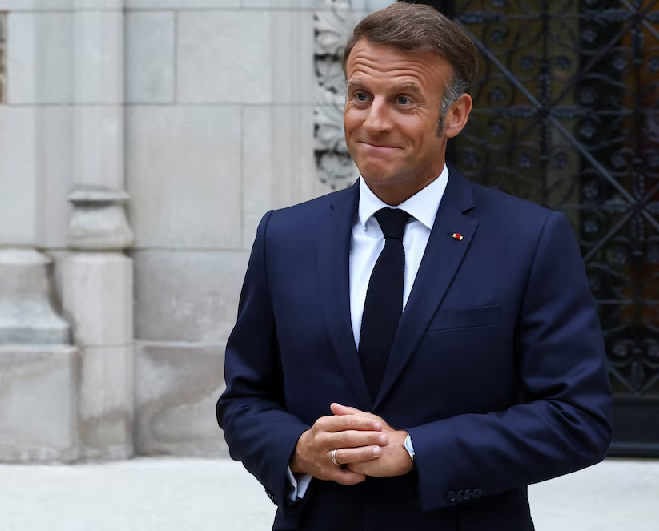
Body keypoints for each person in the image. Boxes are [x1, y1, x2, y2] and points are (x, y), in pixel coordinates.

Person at [216, 3, 613, 530]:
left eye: (403, 100)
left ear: (456, 115)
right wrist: (296, 449)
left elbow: (578, 418)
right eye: (361, 96)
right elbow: (245, 399)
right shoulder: (283, 237)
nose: (374, 122)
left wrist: (416, 450)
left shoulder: (530, 239)